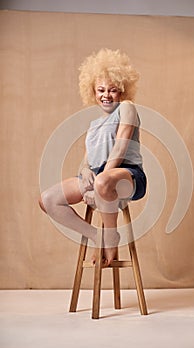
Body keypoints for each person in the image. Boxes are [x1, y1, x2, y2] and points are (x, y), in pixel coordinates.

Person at [39, 48, 147, 266]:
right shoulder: (94, 125)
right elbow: (87, 162)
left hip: (128, 174)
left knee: (102, 181)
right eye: (101, 90)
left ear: (122, 91)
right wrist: (86, 173)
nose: (106, 95)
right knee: (48, 199)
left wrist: (98, 186)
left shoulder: (127, 107)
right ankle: (98, 236)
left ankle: (111, 234)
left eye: (113, 90)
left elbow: (121, 146)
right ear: (93, 92)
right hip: (101, 175)